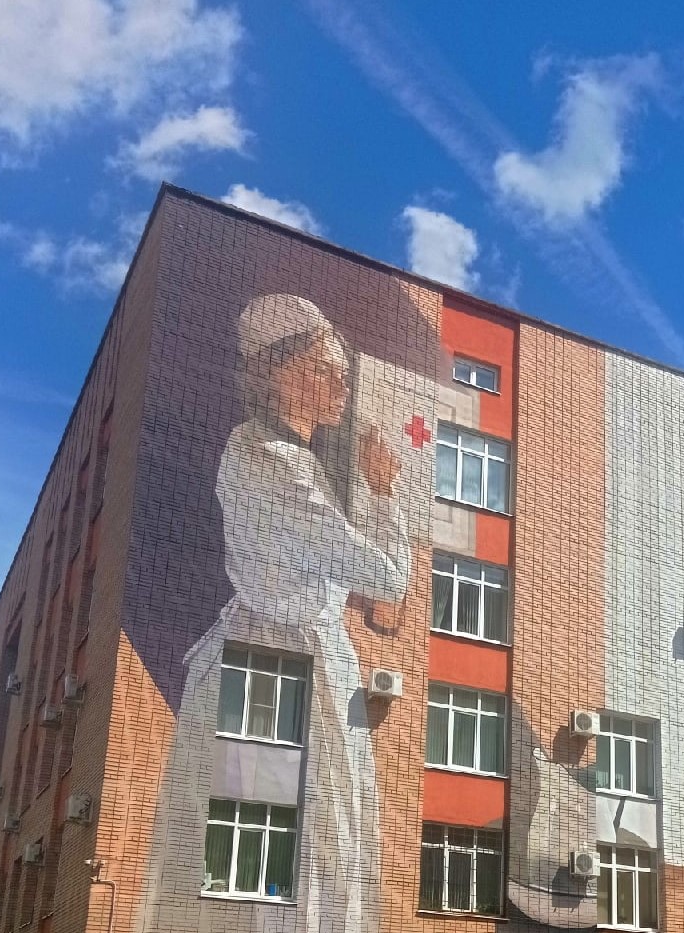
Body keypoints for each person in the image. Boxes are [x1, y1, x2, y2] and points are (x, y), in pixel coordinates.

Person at [144, 292, 410, 932]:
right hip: (272, 670)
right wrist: (381, 493)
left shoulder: (297, 460)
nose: (340, 384)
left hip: (302, 661)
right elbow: (386, 577)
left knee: (317, 845)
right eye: (321, 368)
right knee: (272, 847)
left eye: (342, 370)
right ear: (275, 373)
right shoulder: (267, 464)